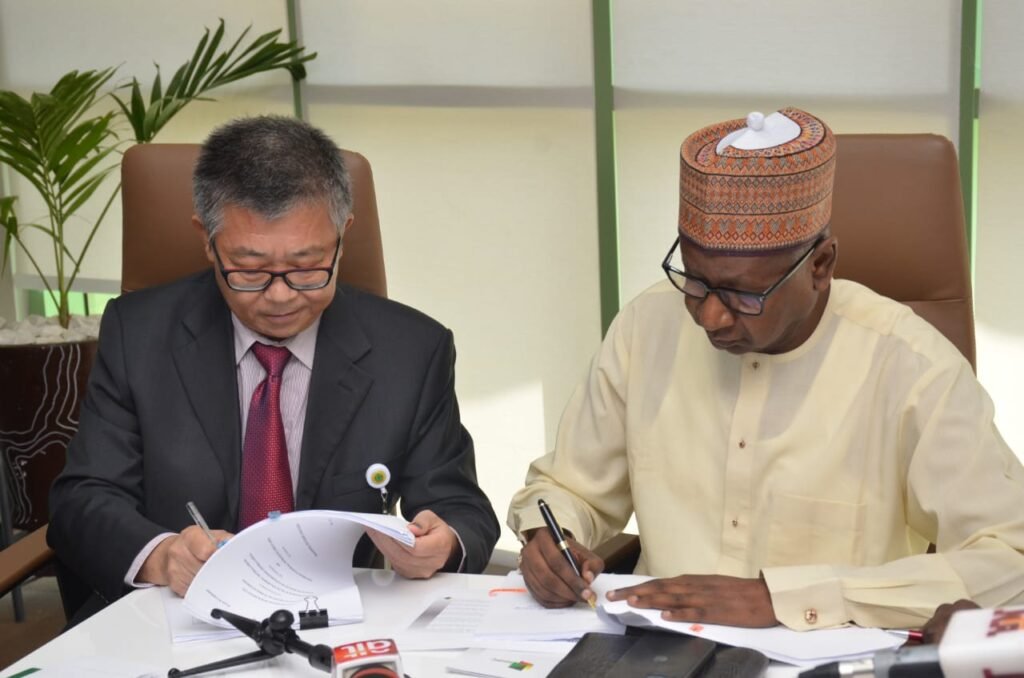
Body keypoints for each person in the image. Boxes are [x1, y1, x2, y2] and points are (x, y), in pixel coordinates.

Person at [508, 108, 1024, 631]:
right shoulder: (647, 326)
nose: (709, 316)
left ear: (821, 266)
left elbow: (1011, 559)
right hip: (653, 647)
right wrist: (551, 535)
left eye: (742, 293)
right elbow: (571, 487)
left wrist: (795, 598)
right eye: (695, 281)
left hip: (825, 654)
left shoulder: (913, 368)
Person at [48, 116, 499, 618]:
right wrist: (163, 555)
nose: (281, 296)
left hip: (338, 624)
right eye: (249, 269)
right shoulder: (139, 334)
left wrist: (443, 542)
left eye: (307, 267)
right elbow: (82, 500)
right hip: (176, 615)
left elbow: (462, 509)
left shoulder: (412, 350)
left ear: (343, 236)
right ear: (207, 240)